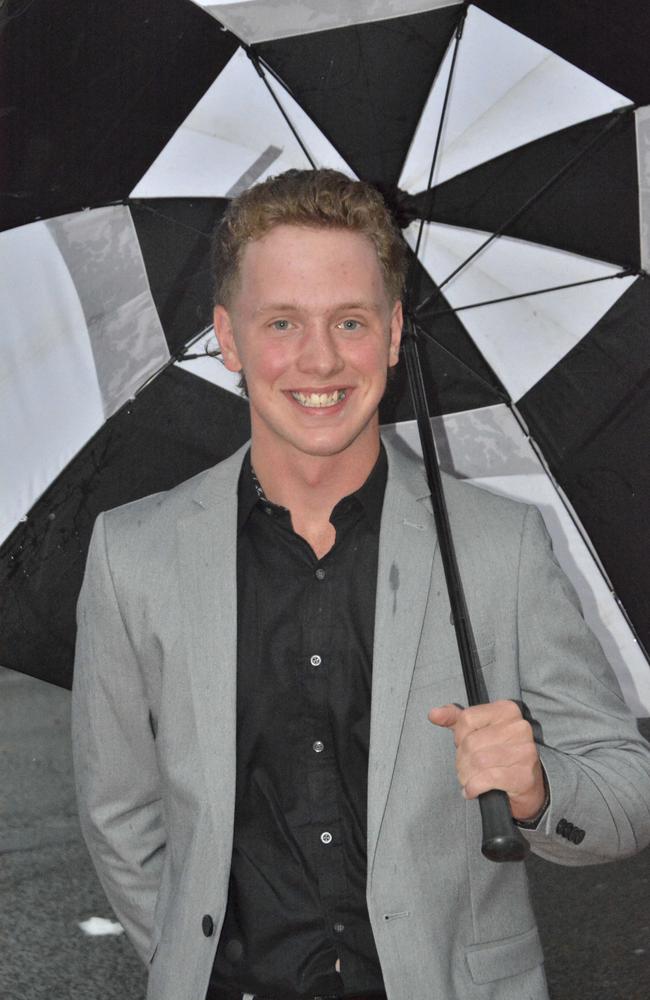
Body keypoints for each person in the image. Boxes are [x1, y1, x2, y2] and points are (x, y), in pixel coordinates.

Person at [72, 169, 650, 1000]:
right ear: (228, 338)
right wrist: (186, 962)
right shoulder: (132, 553)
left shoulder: (499, 545)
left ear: (391, 333)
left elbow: (625, 790)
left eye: (350, 320)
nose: (319, 359)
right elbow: (119, 813)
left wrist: (536, 788)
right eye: (282, 323)